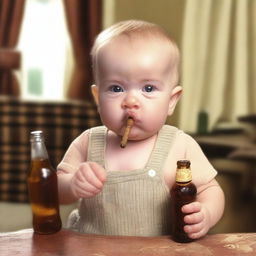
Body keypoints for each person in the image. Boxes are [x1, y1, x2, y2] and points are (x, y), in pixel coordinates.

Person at [57, 20, 225, 238]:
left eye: (148, 88)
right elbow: (53, 191)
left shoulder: (180, 146)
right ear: (98, 98)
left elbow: (209, 190)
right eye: (116, 88)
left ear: (171, 100)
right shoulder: (87, 142)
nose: (130, 101)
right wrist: (71, 184)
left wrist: (206, 213)